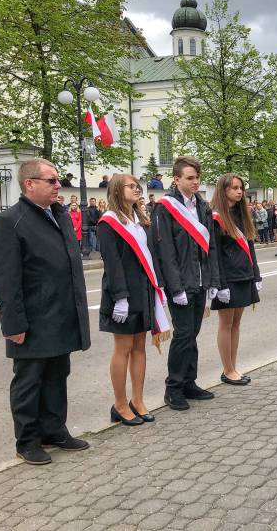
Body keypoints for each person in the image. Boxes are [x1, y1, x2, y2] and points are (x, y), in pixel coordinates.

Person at [0, 158, 91, 465]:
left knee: (57, 375)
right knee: (29, 381)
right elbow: (3, 280)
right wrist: (13, 323)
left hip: (61, 314)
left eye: (58, 180)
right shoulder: (9, 221)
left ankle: (54, 429)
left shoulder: (58, 215)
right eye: (52, 180)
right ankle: (28, 440)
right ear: (29, 184)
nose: (59, 185)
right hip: (32, 319)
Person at [98, 173, 168, 426]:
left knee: (140, 346)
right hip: (123, 294)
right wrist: (120, 297)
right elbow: (112, 263)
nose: (137, 189)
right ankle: (119, 404)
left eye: (138, 186)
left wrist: (158, 288)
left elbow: (151, 256)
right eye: (131, 186)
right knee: (124, 348)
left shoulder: (141, 221)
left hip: (144, 290)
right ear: (117, 190)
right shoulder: (108, 222)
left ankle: (137, 400)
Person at [152, 156, 219, 411]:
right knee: (183, 335)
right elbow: (165, 251)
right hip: (180, 283)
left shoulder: (202, 206)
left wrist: (213, 280)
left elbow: (210, 246)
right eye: (190, 178)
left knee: (193, 333)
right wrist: (175, 287)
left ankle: (189, 382)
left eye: (197, 178)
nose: (195, 182)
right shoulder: (165, 207)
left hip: (200, 280)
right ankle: (173, 388)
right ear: (176, 179)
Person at [210, 174, 261, 387]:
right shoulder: (215, 217)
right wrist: (220, 284)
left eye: (241, 188)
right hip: (228, 278)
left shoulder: (241, 214)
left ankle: (233, 366)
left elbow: (250, 246)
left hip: (244, 275)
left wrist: (256, 274)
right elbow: (215, 254)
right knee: (226, 323)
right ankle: (227, 369)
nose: (239, 192)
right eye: (234, 188)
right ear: (223, 190)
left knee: (237, 323)